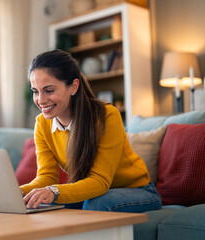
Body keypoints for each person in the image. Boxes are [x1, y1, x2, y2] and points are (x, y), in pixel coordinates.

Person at [19, 49, 162, 212]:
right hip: (94, 194)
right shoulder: (41, 124)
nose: (41, 100)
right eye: (35, 91)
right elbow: (47, 177)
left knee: (96, 204)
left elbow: (100, 181)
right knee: (43, 204)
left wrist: (54, 191)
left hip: (138, 191)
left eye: (49, 90)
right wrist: (21, 192)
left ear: (73, 87)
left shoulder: (107, 116)